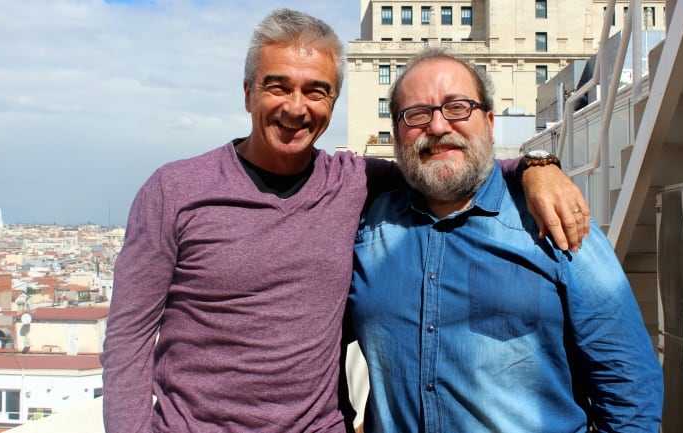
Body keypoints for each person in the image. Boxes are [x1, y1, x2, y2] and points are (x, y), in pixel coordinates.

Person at [100, 9, 590, 433]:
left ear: (332, 104)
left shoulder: (352, 180)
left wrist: (534, 167)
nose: (296, 107)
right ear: (248, 93)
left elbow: (443, 163)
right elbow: (128, 339)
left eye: (317, 91)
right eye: (278, 86)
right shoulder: (175, 190)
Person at [347, 47, 663, 432]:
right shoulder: (366, 231)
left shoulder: (555, 219)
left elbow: (627, 381)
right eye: (416, 114)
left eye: (458, 107)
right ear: (397, 133)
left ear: (490, 121)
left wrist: (536, 165)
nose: (438, 126)